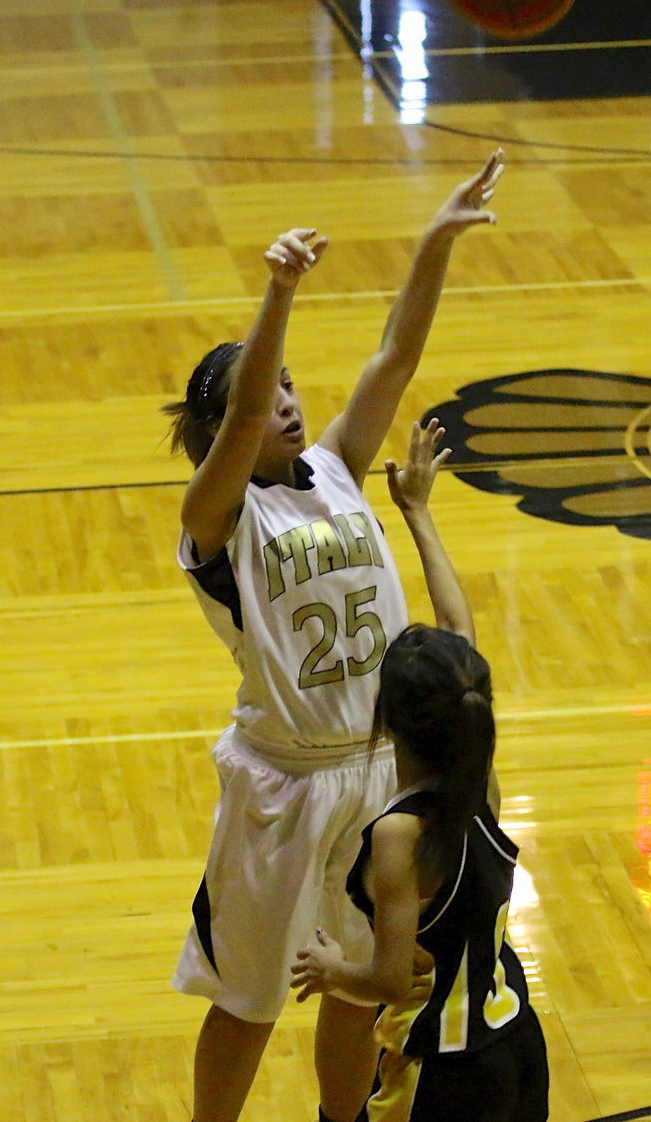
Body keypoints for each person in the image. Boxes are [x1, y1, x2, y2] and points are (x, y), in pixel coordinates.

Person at [160, 151, 504, 1122]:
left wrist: (434, 242)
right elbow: (239, 419)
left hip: (380, 769)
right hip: (283, 780)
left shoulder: (337, 466)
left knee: (357, 981)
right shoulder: (216, 517)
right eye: (262, 395)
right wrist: (278, 292)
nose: (284, 401)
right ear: (224, 427)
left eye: (287, 385)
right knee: (249, 1000)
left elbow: (394, 356)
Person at [289, 419, 549, 1122]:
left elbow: (383, 979)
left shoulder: (399, 835)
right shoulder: (480, 781)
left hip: (445, 1068)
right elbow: (461, 640)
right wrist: (417, 512)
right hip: (517, 1039)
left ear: (388, 722)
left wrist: (330, 970)